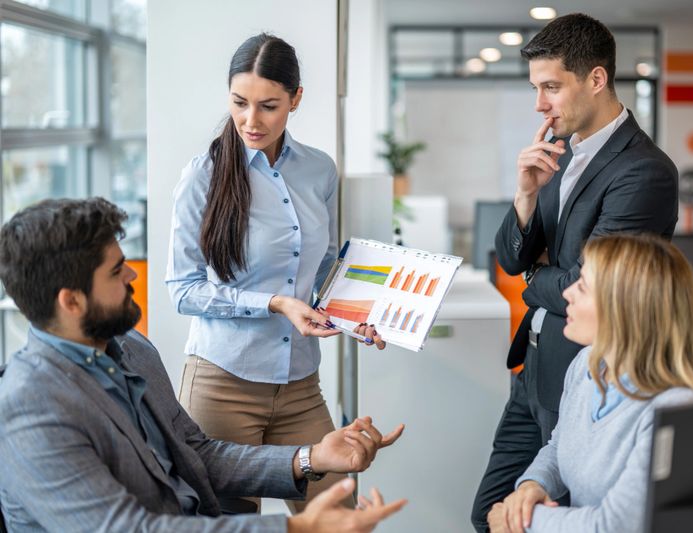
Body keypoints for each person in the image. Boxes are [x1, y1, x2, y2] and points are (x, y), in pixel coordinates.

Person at [0, 198, 405, 532]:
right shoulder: (30, 407)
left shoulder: (130, 349)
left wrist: (310, 458)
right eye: (115, 271)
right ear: (70, 301)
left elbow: (196, 454)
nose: (130, 276)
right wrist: (295, 529)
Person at [472, 13, 679, 530]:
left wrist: (534, 281)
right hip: (535, 371)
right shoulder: (560, 154)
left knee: (537, 521)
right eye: (535, 88)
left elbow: (594, 290)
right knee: (488, 514)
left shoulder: (645, 171)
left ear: (595, 79)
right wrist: (524, 195)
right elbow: (514, 258)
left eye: (550, 87)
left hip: (587, 374)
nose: (540, 104)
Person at [166, 33, 384, 513]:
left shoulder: (319, 170)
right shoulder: (203, 173)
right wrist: (273, 303)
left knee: (337, 519)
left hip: (301, 386)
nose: (250, 120)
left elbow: (325, 265)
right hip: (222, 385)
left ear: (296, 100)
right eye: (239, 102)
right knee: (233, 524)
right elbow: (182, 290)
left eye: (268, 105)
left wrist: (358, 314)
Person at [487, 233, 693, 532]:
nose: (567, 294)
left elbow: (613, 526)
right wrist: (531, 486)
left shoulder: (677, 410)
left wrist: (522, 521)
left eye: (583, 287)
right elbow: (559, 444)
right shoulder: (588, 364)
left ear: (624, 310)